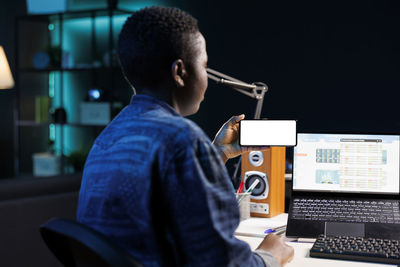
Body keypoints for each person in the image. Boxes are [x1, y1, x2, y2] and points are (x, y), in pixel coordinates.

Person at [77, 6, 294, 267]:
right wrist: (271, 255)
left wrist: (218, 153)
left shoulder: (108, 137)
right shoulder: (182, 140)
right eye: (203, 65)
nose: (206, 76)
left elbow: (160, 202)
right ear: (179, 72)